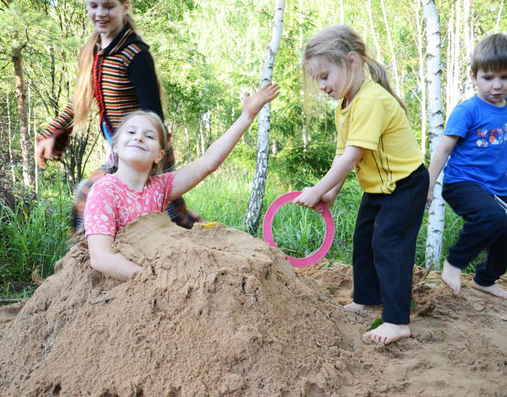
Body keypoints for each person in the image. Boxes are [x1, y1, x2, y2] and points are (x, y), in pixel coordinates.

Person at [294, 25, 428, 345]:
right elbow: (343, 152)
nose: (322, 86)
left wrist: (315, 188)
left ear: (351, 61)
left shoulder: (371, 100)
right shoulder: (345, 104)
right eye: (317, 80)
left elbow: (353, 153)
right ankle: (367, 297)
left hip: (405, 184)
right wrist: (331, 192)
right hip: (379, 187)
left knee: (389, 243)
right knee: (364, 239)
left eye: (325, 76)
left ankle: (396, 321)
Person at [84, 83, 279, 281]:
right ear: (115, 146)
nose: (139, 137)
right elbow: (101, 258)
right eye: (131, 132)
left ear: (159, 155)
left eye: (149, 135)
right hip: (128, 280)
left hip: (159, 270)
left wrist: (246, 116)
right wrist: (153, 279)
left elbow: (207, 163)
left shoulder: (159, 187)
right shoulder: (104, 191)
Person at [35, 0, 199, 231]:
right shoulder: (95, 50)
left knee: (170, 216)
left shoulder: (136, 55)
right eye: (94, 6)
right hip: (122, 147)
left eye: (109, 6)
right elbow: (81, 99)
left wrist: (145, 158)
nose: (100, 13)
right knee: (94, 196)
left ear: (125, 6)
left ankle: (204, 246)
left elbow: (153, 116)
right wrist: (54, 132)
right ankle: (88, 257)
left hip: (147, 148)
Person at [427, 33, 507, 299]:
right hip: (463, 183)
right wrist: (427, 186)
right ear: (473, 76)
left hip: (497, 189)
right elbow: (444, 149)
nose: (497, 85)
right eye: (488, 77)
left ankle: (485, 279)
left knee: (503, 230)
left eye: (504, 77)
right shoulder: (468, 111)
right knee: (492, 217)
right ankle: (454, 262)